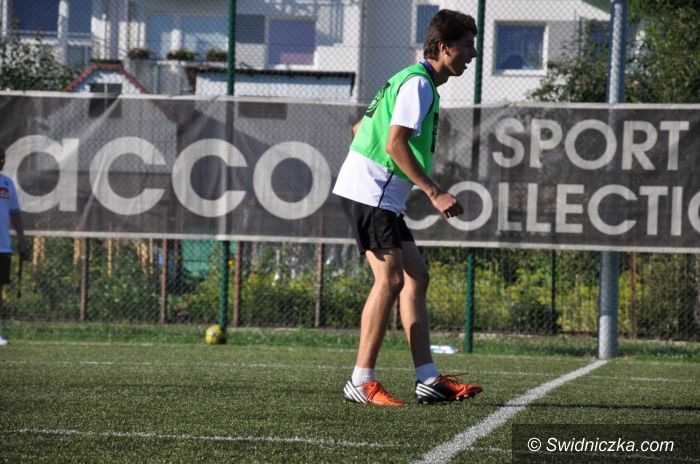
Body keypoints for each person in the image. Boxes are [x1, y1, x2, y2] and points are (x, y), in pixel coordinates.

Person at [333, 9, 482, 406]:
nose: (473, 53)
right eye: (467, 45)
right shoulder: (418, 84)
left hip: (378, 193)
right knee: (391, 280)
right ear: (444, 47)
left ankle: (428, 379)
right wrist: (434, 192)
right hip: (372, 192)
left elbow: (361, 129)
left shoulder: (413, 79)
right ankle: (361, 380)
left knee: (416, 277)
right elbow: (394, 144)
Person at [0, 146, 26, 346]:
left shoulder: (7, 183)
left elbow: (15, 213)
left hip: (2, 246)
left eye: (2, 157)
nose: (1, 161)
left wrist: (21, 238)